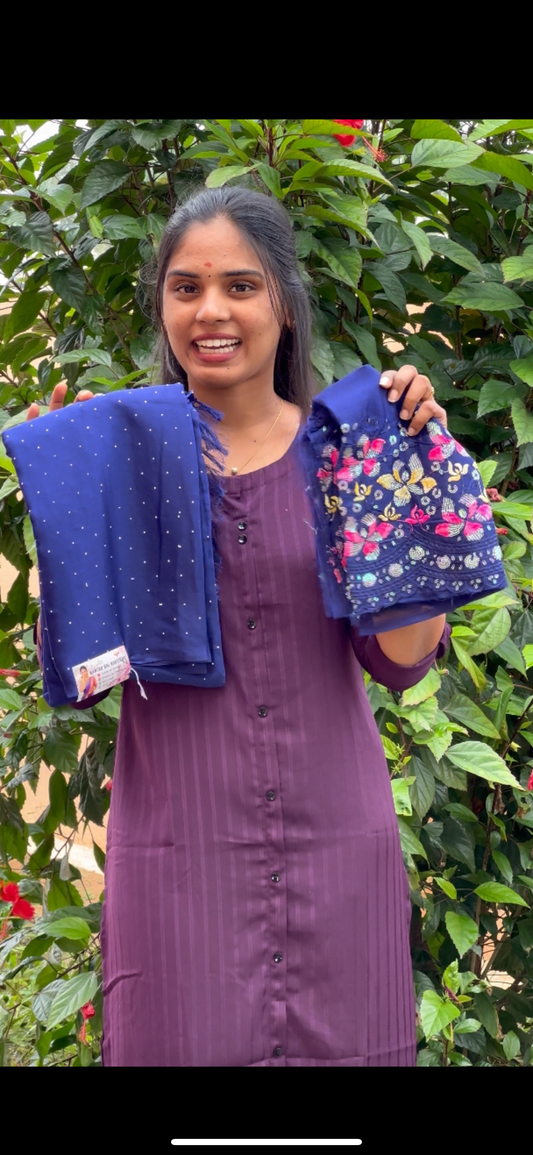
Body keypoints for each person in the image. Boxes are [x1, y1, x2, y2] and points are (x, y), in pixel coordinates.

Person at [29, 186, 452, 1067]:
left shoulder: (352, 453)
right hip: (180, 861)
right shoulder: (114, 462)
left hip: (338, 854)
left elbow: (402, 662)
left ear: (284, 305)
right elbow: (85, 669)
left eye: (240, 286)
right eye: (185, 288)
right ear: (162, 306)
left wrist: (414, 488)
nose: (211, 310)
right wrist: (72, 501)